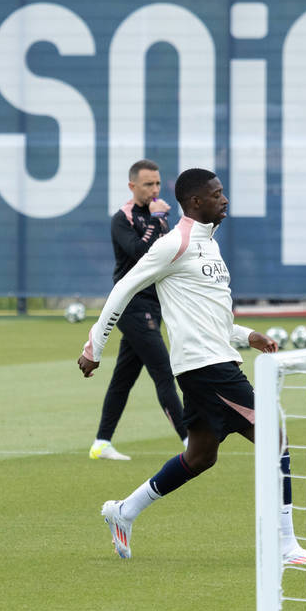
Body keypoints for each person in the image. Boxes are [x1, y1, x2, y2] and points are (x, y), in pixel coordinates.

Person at [78, 168, 306, 565]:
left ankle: (124, 511)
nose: (224, 200)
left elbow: (214, 320)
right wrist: (94, 346)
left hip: (214, 361)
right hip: (208, 368)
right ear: (195, 202)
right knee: (274, 438)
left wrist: (248, 336)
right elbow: (123, 287)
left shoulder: (210, 246)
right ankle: (285, 547)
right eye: (217, 194)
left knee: (200, 456)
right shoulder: (175, 243)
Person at [88, 159, 187, 461]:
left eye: (157, 183)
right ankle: (189, 439)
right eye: (148, 184)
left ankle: (101, 443)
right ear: (132, 186)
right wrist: (158, 223)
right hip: (130, 304)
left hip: (154, 303)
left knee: (124, 377)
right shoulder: (123, 218)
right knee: (163, 371)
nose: (155, 190)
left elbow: (169, 255)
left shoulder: (160, 217)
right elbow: (140, 253)